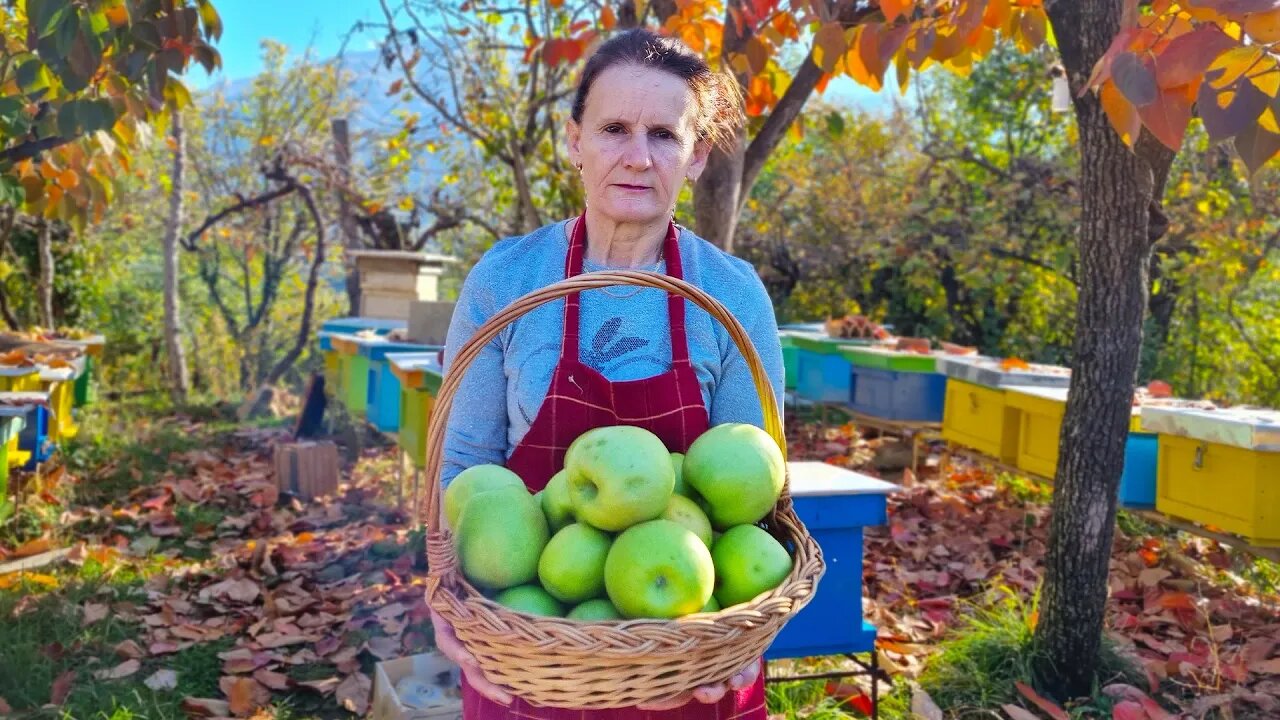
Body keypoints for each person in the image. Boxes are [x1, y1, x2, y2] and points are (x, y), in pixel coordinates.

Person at [435, 27, 785, 720]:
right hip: (533, 648)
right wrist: (443, 592)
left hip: (688, 649)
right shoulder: (507, 279)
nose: (636, 157)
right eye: (614, 128)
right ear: (574, 142)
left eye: (664, 134)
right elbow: (462, 464)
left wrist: (746, 627)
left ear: (696, 157)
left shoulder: (732, 294)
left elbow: (758, 496)